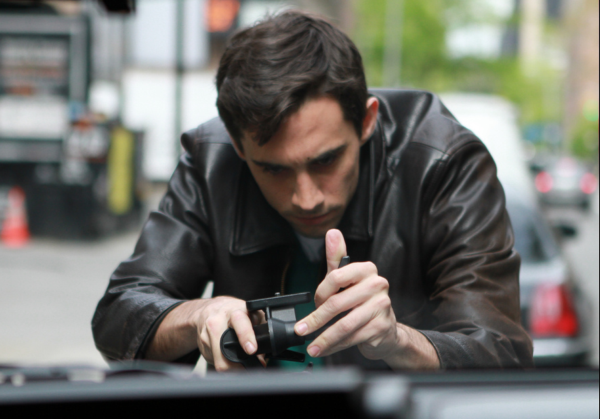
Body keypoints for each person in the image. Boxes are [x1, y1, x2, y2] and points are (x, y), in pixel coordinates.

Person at [92, 11, 533, 371]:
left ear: (367, 121)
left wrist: (398, 341)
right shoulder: (212, 160)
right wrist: (198, 315)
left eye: (325, 161)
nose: (306, 198)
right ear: (238, 145)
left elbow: (501, 353)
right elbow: (117, 317)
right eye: (274, 169)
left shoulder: (443, 160)